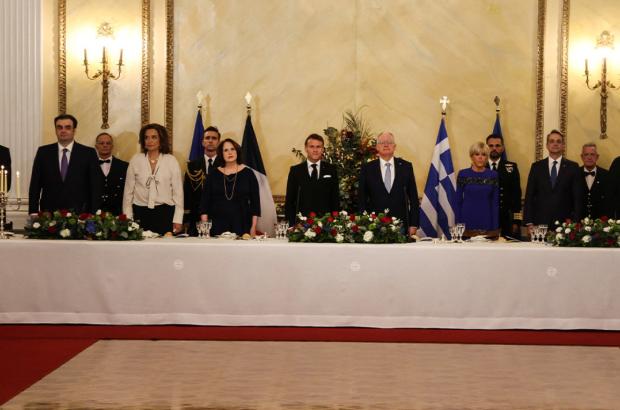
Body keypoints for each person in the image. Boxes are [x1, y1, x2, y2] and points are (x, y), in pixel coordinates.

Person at [28, 114, 101, 214]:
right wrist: (33, 212)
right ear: (55, 130)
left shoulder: (88, 153)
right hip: (49, 214)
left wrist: (93, 213)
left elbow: (95, 186)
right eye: (59, 127)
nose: (63, 130)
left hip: (80, 213)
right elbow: (35, 185)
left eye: (67, 127)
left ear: (74, 130)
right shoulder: (43, 152)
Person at [123, 123, 183, 235]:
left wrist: (178, 219)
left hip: (165, 213)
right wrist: (128, 218)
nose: (149, 141)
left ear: (161, 140)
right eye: (146, 137)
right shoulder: (136, 160)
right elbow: (128, 193)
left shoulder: (171, 160)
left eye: (154, 137)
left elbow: (178, 193)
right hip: (140, 212)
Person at [358, 131, 419, 237]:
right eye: (382, 142)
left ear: (394, 146)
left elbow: (413, 198)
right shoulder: (367, 168)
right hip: (374, 226)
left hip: (402, 226)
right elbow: (362, 199)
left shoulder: (406, 167)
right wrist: (364, 223)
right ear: (377, 147)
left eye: (389, 142)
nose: (386, 145)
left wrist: (414, 224)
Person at [523, 130, 585, 230]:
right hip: (539, 223)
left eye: (558, 141)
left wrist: (575, 222)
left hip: (565, 224)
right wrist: (529, 222)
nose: (555, 144)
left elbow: (577, 198)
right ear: (547, 145)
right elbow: (529, 196)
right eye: (552, 141)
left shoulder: (573, 167)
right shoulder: (536, 167)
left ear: (563, 145)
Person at [200, 138, 260, 237]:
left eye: (232, 149)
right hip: (216, 224)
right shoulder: (213, 174)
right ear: (221, 154)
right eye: (226, 150)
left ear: (237, 151)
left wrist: (253, 227)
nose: (230, 153)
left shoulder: (248, 173)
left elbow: (255, 204)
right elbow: (204, 204)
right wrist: (205, 228)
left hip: (242, 223)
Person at [284, 134, 340, 226]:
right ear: (306, 148)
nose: (315, 150)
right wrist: (291, 224)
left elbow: (335, 199)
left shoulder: (331, 170)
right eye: (311, 147)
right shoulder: (295, 171)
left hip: (326, 224)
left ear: (322, 149)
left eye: (318, 147)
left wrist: (335, 222)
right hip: (301, 225)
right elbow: (290, 200)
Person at [456, 142, 499, 237]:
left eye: (483, 155)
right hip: (466, 219)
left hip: (487, 219)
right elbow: (458, 201)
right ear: (471, 156)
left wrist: (495, 226)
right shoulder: (463, 174)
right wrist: (459, 224)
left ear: (487, 157)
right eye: (477, 154)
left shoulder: (493, 175)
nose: (480, 157)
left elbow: (495, 202)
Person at [184, 126, 221, 235]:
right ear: (202, 142)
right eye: (207, 138)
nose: (210, 141)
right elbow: (187, 192)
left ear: (218, 142)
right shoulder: (192, 165)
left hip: (219, 215)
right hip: (196, 216)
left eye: (214, 138)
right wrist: (186, 217)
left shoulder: (224, 165)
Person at [486, 134, 521, 238]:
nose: (494, 148)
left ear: (503, 148)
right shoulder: (479, 167)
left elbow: (517, 196)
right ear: (486, 148)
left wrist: (517, 221)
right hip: (485, 216)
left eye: (497, 145)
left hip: (506, 218)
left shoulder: (511, 167)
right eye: (491, 146)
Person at [95, 132, 128, 216]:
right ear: (96, 146)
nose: (105, 145)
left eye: (108, 143)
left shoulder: (124, 166)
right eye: (101, 143)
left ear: (112, 146)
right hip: (94, 213)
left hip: (118, 213)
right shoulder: (89, 165)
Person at [580, 142, 608, 219]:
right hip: (579, 221)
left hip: (601, 222)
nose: (589, 157)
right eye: (586, 154)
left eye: (592, 154)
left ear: (597, 157)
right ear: (582, 157)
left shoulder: (606, 175)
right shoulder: (575, 174)